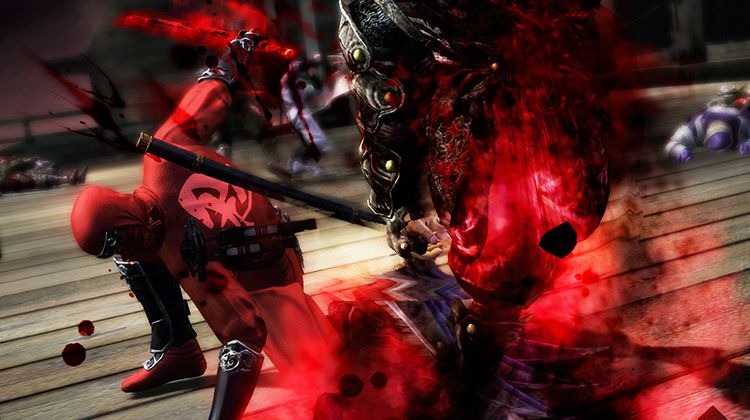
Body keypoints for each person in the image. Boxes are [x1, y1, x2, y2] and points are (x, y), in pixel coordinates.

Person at [338, 0, 611, 415]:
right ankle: (476, 363)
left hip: (549, 97)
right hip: (479, 124)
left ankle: (482, 347)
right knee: (505, 263)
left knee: (550, 235)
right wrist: (401, 205)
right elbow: (386, 96)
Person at [70, 30, 340, 419]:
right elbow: (209, 93)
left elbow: (244, 337)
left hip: (271, 284)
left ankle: (337, 332)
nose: (124, 250)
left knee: (329, 377)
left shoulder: (182, 256)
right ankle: (177, 345)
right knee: (134, 261)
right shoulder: (163, 151)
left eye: (121, 241)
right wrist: (234, 57)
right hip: (267, 242)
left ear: (130, 222)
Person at [665, 83, 750, 162]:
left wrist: (680, 150)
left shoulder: (697, 125)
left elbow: (671, 144)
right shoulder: (697, 125)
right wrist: (680, 151)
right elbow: (671, 144)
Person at [0, 156, 86, 194]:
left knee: (43, 170)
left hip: (8, 175)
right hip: (6, 181)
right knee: (31, 178)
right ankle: (68, 179)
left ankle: (76, 178)